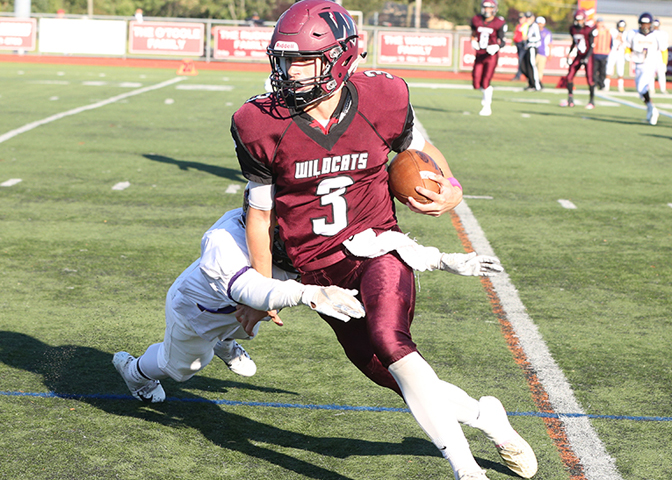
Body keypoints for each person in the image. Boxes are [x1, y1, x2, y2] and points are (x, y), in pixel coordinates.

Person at [231, 1, 538, 479]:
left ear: (341, 58)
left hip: (379, 246)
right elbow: (260, 213)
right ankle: (486, 418)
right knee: (391, 373)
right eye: (284, 61)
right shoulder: (258, 123)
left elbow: (419, 149)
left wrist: (452, 189)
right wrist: (262, 288)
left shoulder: (383, 97)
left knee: (390, 340)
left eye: (303, 61)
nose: (289, 74)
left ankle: (466, 471)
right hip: (318, 268)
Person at [113, 191, 366, 403]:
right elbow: (254, 290)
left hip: (238, 307)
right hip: (198, 313)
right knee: (182, 368)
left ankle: (224, 341)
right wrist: (308, 293)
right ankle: (135, 373)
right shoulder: (224, 244)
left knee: (255, 318)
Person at [625, 12, 668, 125]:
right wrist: (627, 54)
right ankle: (650, 108)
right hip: (638, 64)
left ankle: (652, 109)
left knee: (641, 87)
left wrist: (663, 63)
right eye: (643, 24)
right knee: (641, 92)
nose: (645, 26)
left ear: (651, 24)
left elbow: (664, 50)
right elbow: (628, 47)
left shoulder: (657, 35)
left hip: (650, 64)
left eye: (647, 24)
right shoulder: (633, 34)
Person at [470, 0, 507, 116]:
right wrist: (472, 41)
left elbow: (503, 41)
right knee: (476, 82)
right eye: (485, 7)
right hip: (480, 53)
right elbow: (473, 34)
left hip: (491, 55)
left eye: (489, 8)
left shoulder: (499, 22)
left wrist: (496, 46)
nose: (487, 10)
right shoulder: (476, 19)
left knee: (486, 81)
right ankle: (487, 93)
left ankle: (487, 106)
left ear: (494, 9)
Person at [560, 9, 597, 109]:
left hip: (588, 55)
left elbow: (592, 45)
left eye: (581, 20)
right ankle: (570, 100)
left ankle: (591, 101)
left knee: (590, 79)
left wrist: (586, 58)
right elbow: (574, 42)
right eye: (578, 20)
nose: (579, 22)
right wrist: (569, 53)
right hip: (579, 55)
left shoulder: (589, 29)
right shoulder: (572, 29)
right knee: (569, 75)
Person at [522, 12, 542, 91]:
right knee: (524, 66)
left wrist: (528, 38)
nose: (527, 19)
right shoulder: (527, 26)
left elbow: (538, 38)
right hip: (527, 48)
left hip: (532, 48)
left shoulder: (534, 26)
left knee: (532, 65)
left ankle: (537, 85)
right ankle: (531, 83)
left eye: (529, 18)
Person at [606, 20, 627, 92]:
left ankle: (620, 87)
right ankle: (606, 86)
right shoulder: (614, 31)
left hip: (621, 54)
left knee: (620, 71)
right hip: (613, 53)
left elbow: (626, 45)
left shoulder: (626, 34)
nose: (621, 28)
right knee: (609, 69)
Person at [592, 18, 612, 90]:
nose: (599, 24)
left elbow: (610, 42)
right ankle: (594, 84)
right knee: (594, 70)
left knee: (602, 71)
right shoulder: (594, 31)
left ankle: (601, 84)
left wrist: (609, 50)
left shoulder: (607, 31)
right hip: (595, 53)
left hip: (604, 53)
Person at [653, 19, 669, 94]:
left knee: (661, 74)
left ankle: (663, 89)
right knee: (650, 74)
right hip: (650, 55)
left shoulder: (663, 34)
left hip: (658, 55)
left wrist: (664, 62)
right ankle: (651, 89)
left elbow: (664, 49)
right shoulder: (649, 33)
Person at [512, 12, 529, 81]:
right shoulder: (519, 25)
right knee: (521, 60)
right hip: (518, 44)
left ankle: (519, 75)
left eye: (522, 18)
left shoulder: (526, 25)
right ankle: (522, 75)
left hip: (523, 44)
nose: (520, 19)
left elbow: (526, 35)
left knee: (522, 60)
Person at [535, 16, 552, 82]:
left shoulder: (547, 32)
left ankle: (538, 82)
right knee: (532, 68)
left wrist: (550, 53)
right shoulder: (533, 31)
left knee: (540, 69)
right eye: (538, 23)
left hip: (543, 53)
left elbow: (550, 44)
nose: (539, 25)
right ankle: (531, 82)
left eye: (541, 23)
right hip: (534, 52)